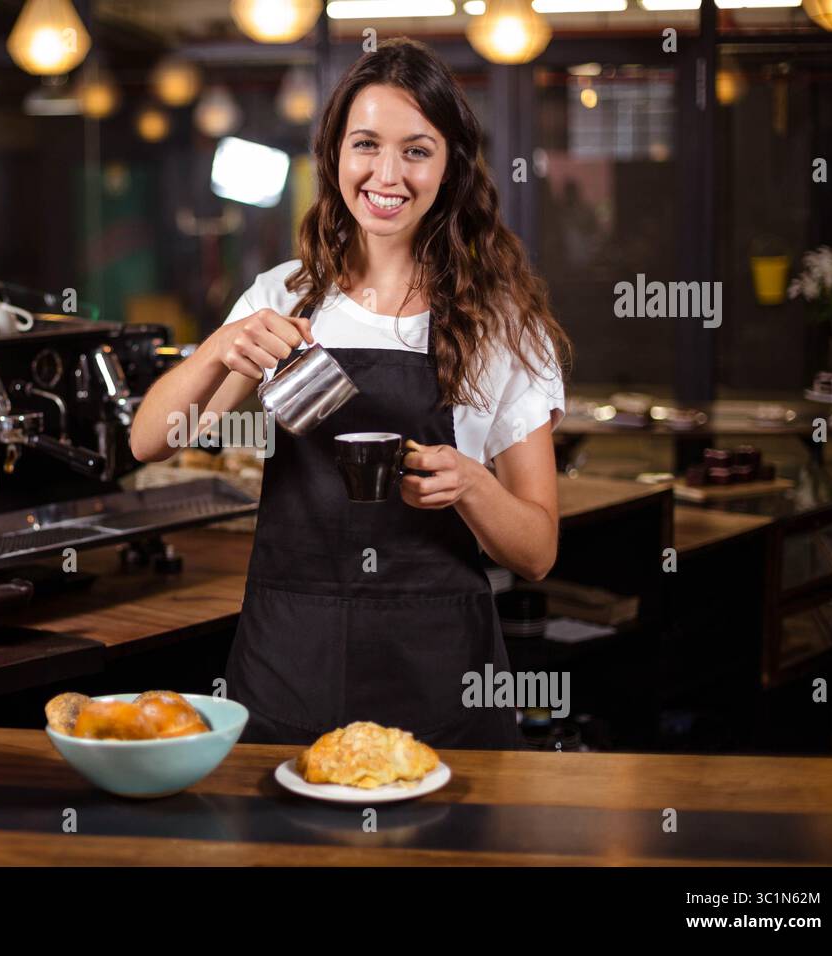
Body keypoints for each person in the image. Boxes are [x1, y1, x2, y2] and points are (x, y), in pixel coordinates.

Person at [130, 38, 572, 749]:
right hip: (287, 665)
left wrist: (471, 487)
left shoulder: (501, 325)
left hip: (439, 677)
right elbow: (152, 440)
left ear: (452, 165)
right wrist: (219, 348)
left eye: (417, 150)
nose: (387, 173)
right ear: (335, 155)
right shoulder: (283, 294)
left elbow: (538, 551)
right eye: (366, 144)